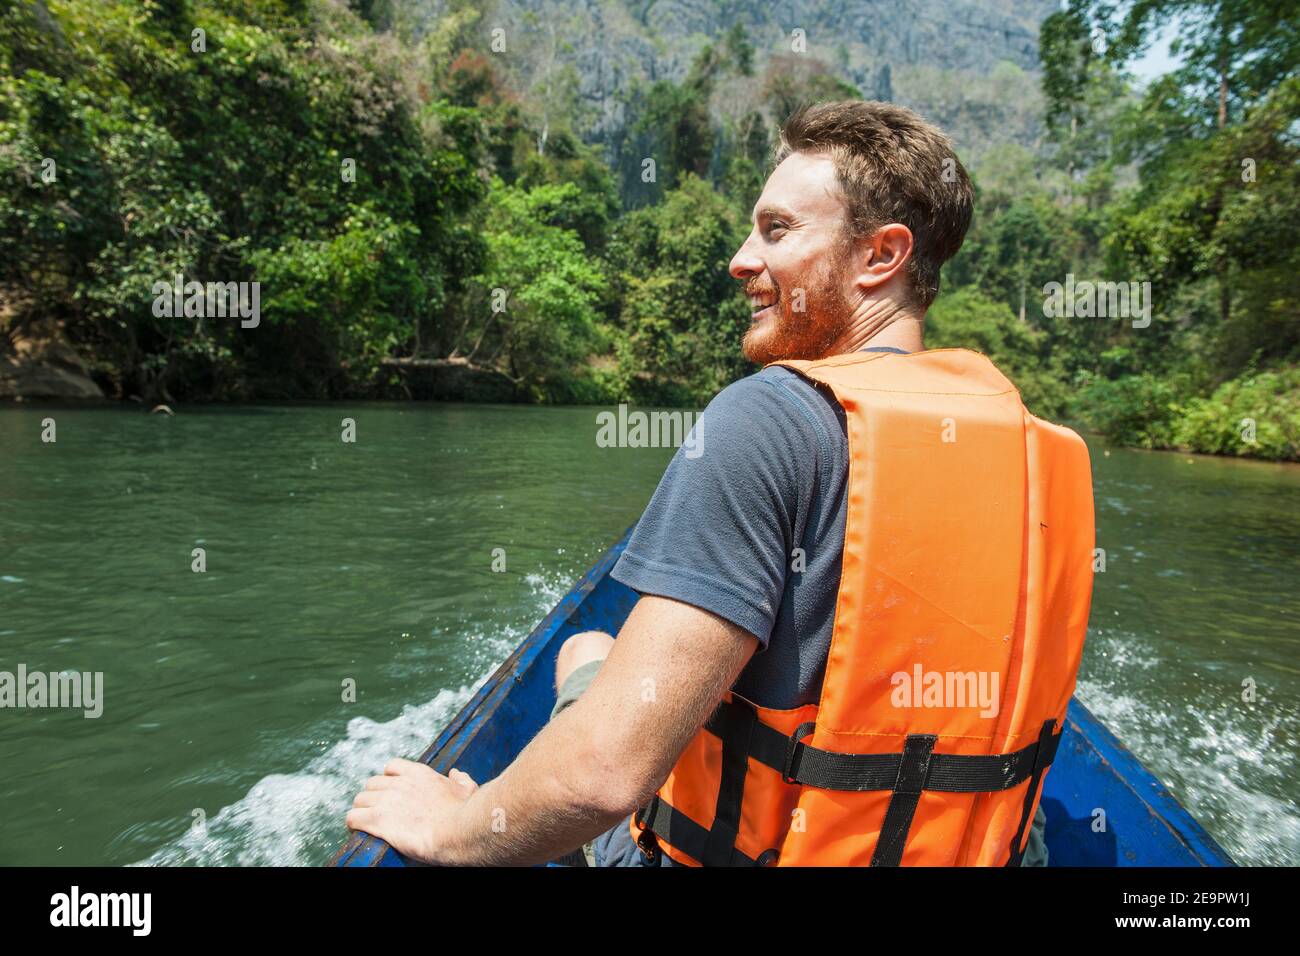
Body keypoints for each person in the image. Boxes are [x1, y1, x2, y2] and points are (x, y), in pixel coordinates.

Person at [345, 100, 1093, 866]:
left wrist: (450, 828)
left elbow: (603, 778)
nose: (740, 260)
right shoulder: (1039, 448)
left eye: (776, 230)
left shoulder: (768, 418)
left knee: (583, 653)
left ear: (880, 257)